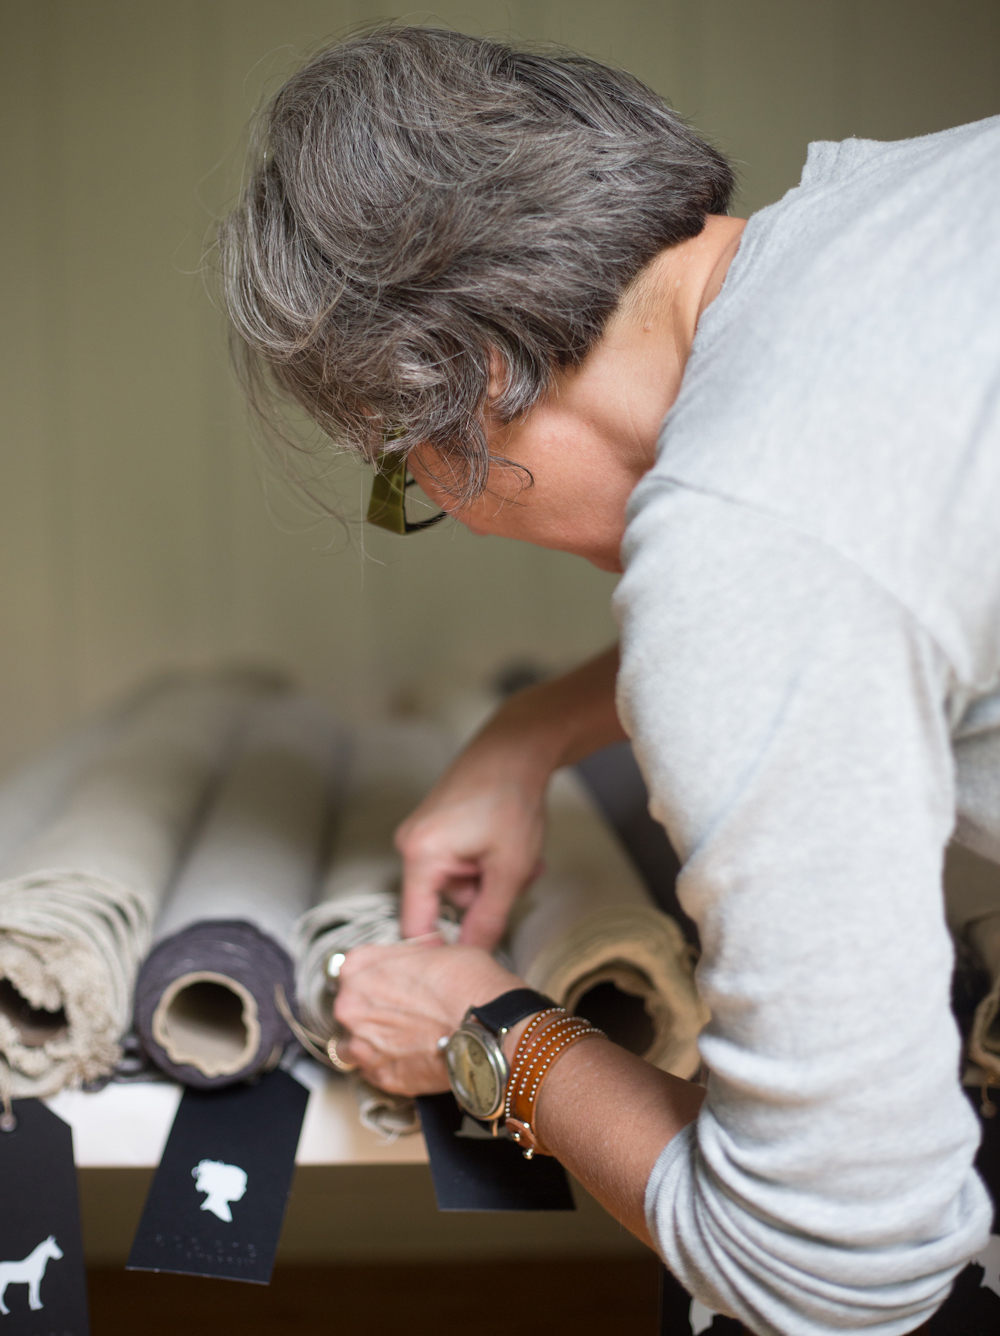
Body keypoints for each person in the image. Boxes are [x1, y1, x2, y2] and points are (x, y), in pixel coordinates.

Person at [220, 26, 1000, 1335]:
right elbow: (884, 559)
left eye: (407, 476)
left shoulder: (744, 545)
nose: (441, 503)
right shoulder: (908, 198)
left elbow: (835, 1273)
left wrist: (494, 1039)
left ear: (458, 392)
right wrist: (536, 730)